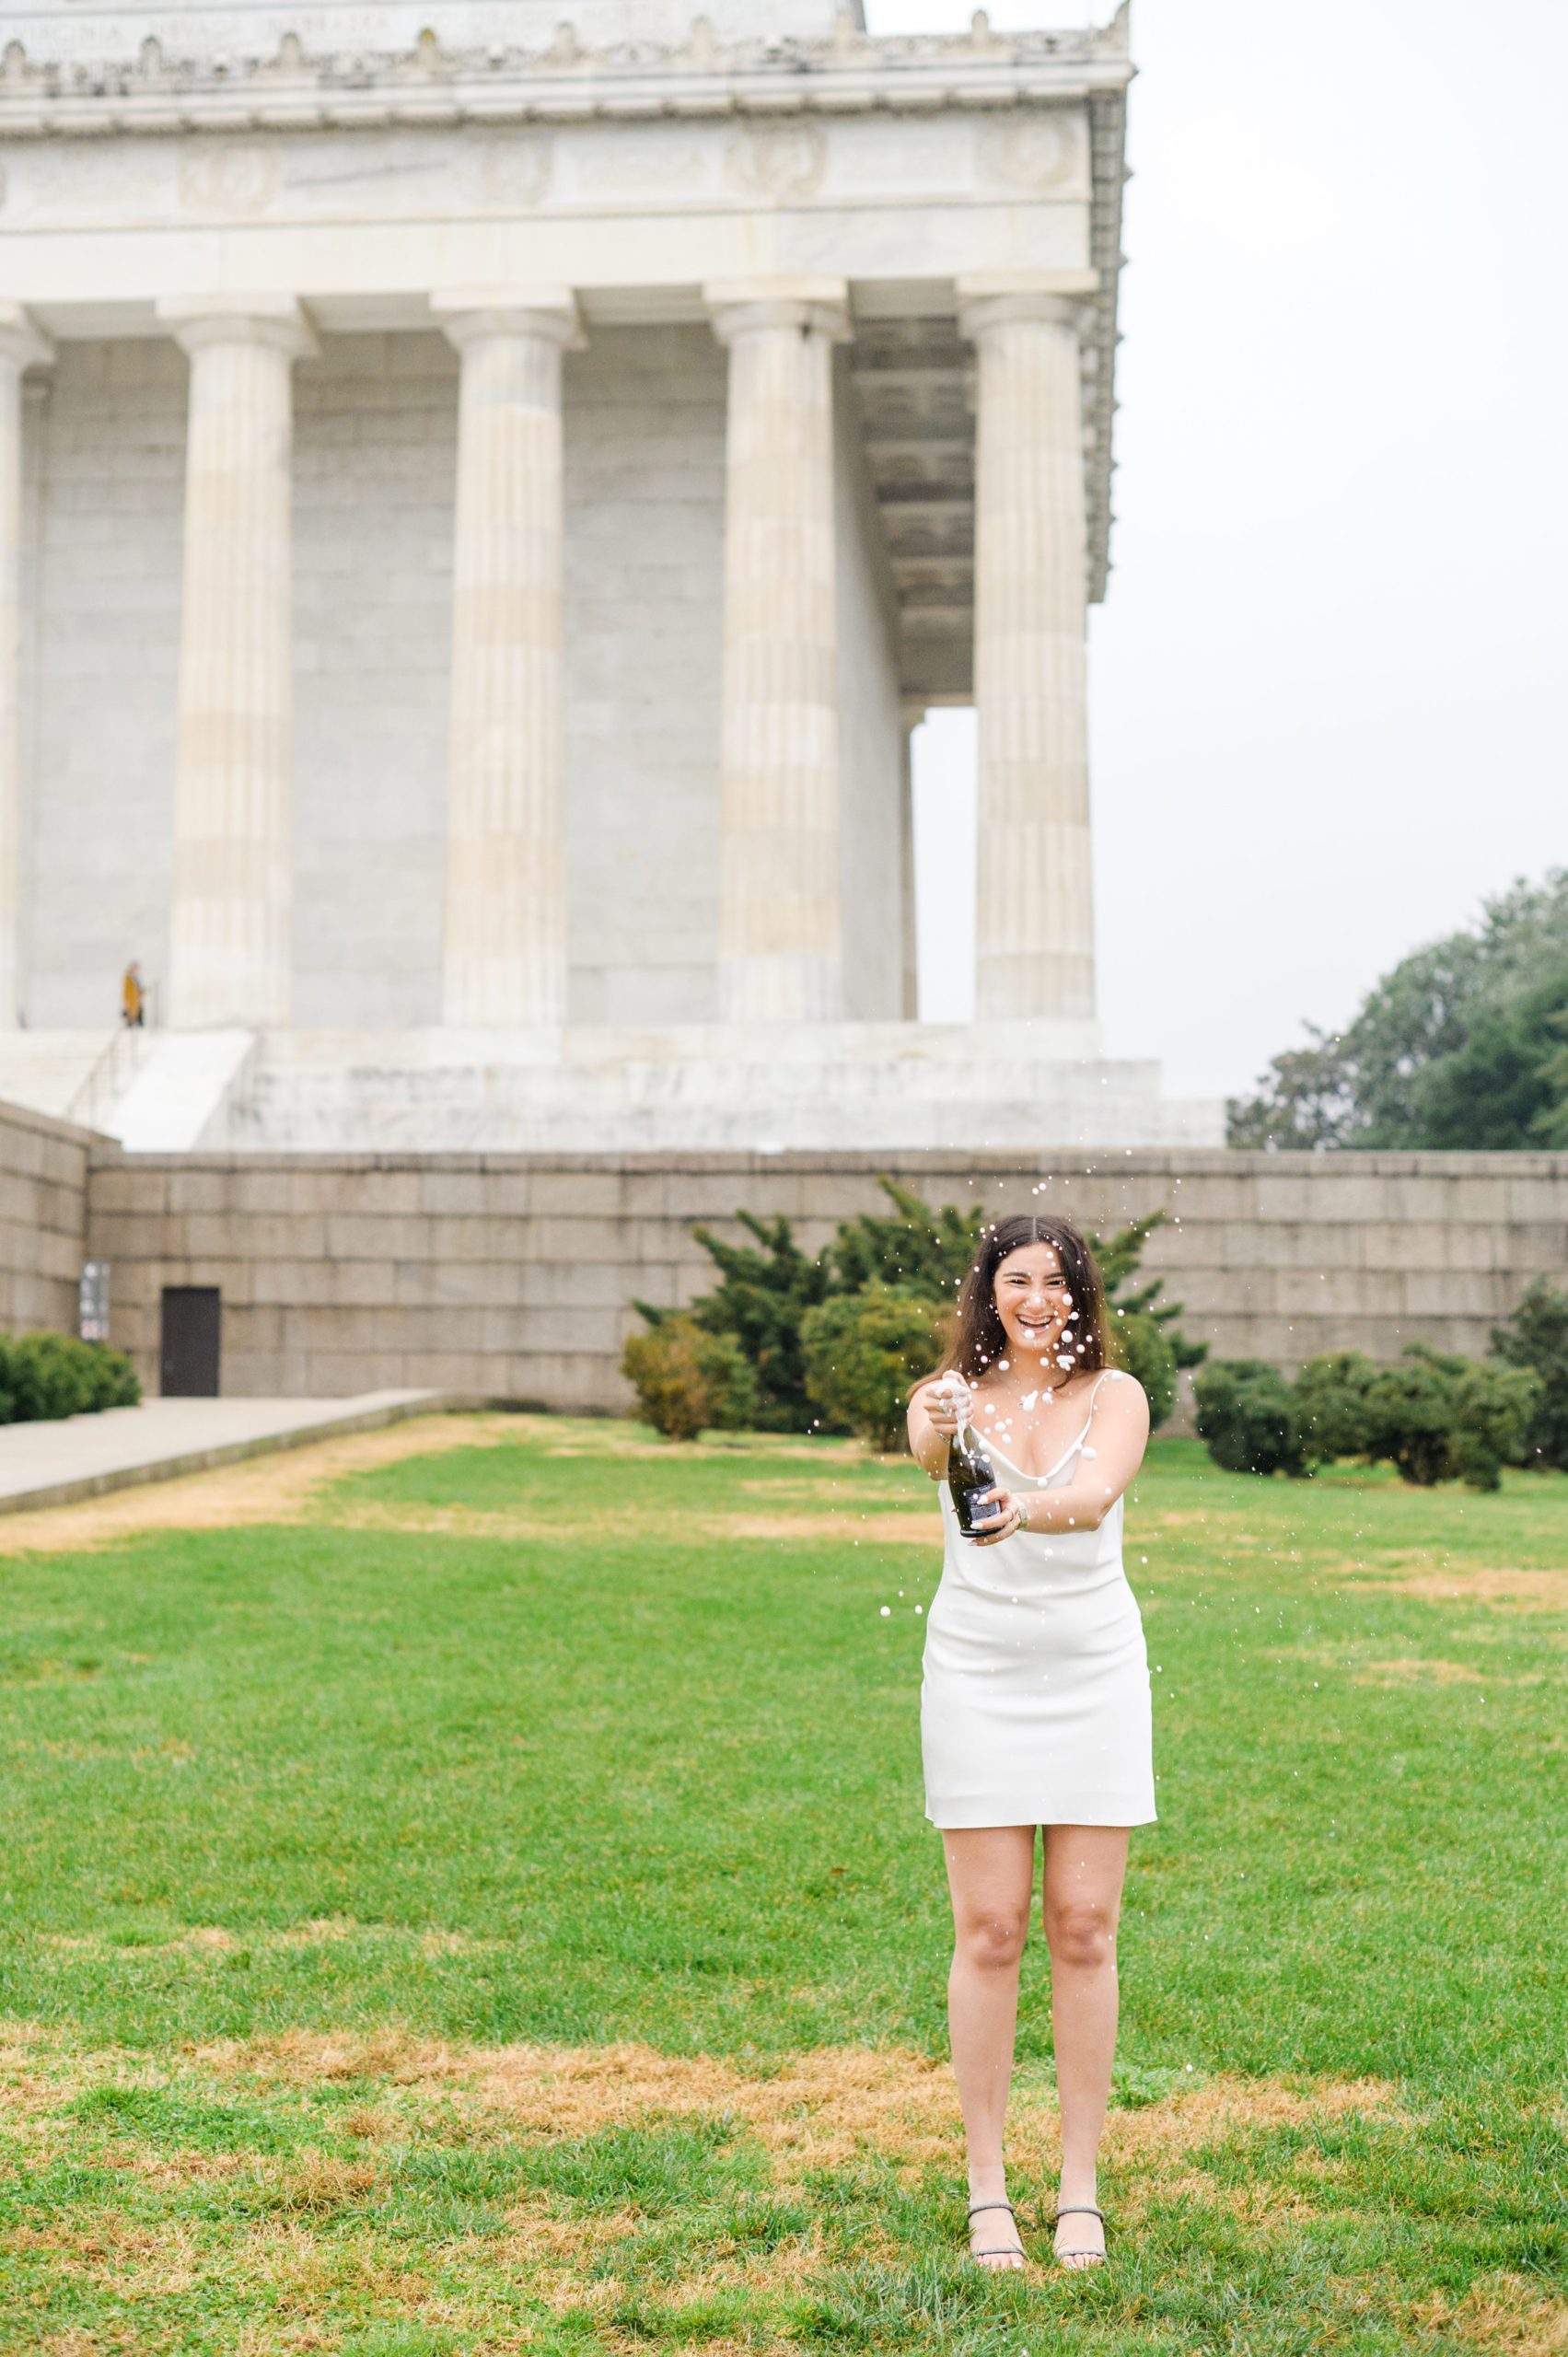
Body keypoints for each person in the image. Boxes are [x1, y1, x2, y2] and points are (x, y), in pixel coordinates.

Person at [906, 1213, 1155, 2274]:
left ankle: (1080, 2189)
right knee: (993, 1930)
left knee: (1085, 1927)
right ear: (988, 1291)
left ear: (1079, 1294)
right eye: (1016, 1278)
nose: (1037, 1296)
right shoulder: (949, 1394)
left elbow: (1094, 1497)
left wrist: (1024, 1506)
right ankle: (985, 2191)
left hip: (1092, 1670)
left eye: (1056, 1280)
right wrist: (935, 1417)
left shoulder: (1116, 1396)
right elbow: (925, 1453)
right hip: (976, 1673)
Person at [121, 960, 145, 1028]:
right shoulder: (128, 978)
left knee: (137, 1017)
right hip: (131, 1001)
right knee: (130, 1018)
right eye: (135, 968)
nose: (136, 970)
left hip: (136, 1001)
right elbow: (126, 990)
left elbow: (139, 990)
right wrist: (126, 1001)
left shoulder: (136, 978)